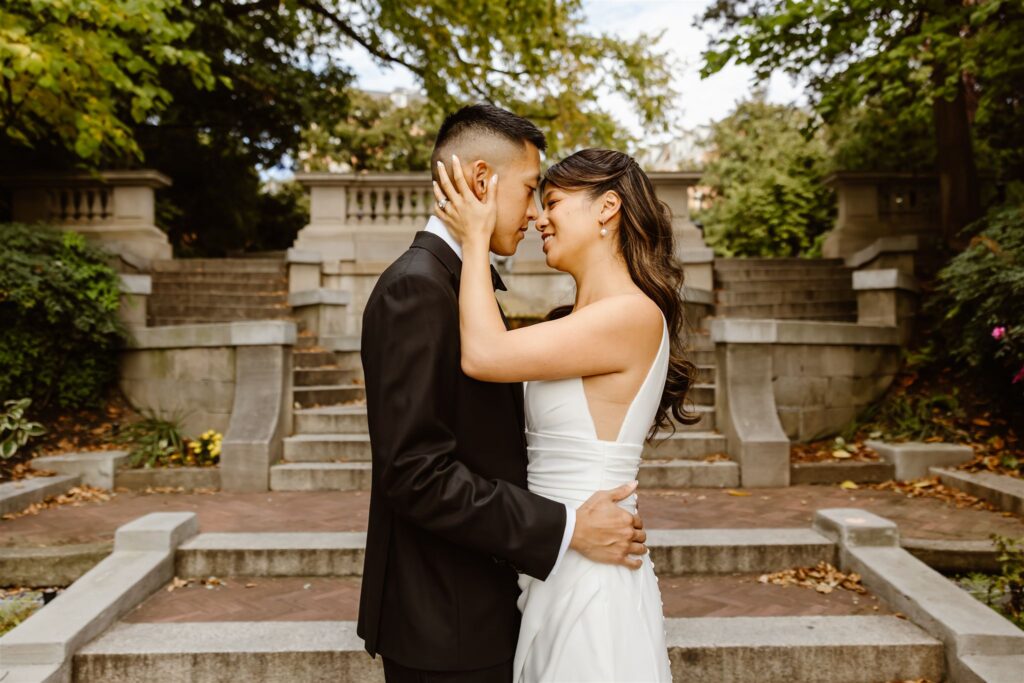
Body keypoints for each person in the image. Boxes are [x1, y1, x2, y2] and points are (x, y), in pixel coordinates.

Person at [357, 104, 649, 683]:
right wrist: (564, 528)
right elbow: (415, 472)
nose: (535, 213)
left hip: (491, 604)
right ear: (482, 181)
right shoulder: (415, 289)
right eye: (531, 189)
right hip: (449, 619)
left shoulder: (455, 281)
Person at [432, 146, 699, 681]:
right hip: (557, 556)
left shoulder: (632, 314)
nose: (538, 217)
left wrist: (477, 235)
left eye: (552, 201)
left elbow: (483, 354)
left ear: (607, 209)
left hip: (592, 576)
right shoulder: (577, 321)